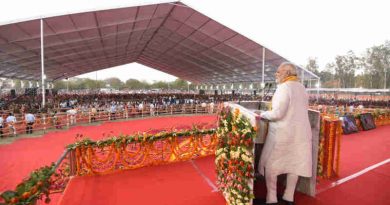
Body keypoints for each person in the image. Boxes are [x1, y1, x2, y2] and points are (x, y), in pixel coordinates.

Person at [258, 62, 312, 205]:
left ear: (287, 73)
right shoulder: (302, 88)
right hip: (300, 135)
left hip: (283, 134)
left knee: (271, 165)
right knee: (294, 165)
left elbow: (278, 113)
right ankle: (289, 197)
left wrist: (262, 114)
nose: (276, 74)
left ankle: (272, 198)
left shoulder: (284, 88)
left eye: (278, 72)